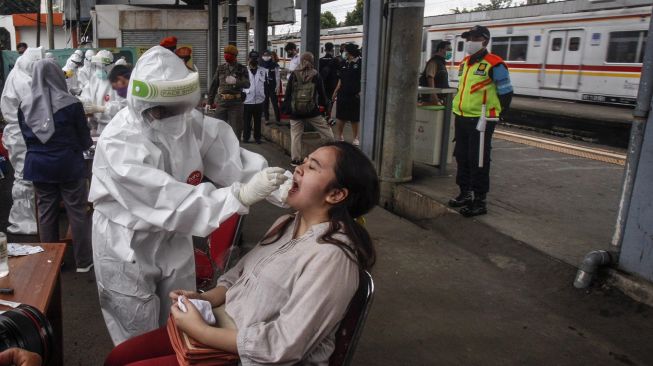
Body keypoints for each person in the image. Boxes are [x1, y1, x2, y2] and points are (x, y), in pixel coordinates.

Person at [103, 141, 379, 366]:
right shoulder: (284, 224)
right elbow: (237, 277)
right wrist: (203, 298)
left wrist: (201, 331)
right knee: (118, 357)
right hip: (215, 328)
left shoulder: (332, 257)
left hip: (242, 355)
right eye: (303, 161)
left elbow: (284, 345)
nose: (298, 169)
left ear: (336, 195)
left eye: (313, 167)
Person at [88, 46, 290, 345]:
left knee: (180, 321)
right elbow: (168, 200)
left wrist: (284, 187)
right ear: (141, 103)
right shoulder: (120, 142)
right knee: (136, 329)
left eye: (177, 106)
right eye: (161, 109)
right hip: (127, 242)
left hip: (174, 236)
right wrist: (240, 196)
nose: (170, 116)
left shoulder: (190, 123)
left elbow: (234, 160)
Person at [18, 59, 93, 272]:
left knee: (46, 213)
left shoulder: (25, 105)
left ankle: (51, 261)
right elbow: (85, 139)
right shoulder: (72, 104)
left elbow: (26, 137)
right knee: (77, 212)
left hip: (39, 166)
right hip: (69, 164)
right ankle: (84, 262)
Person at [448, 25, 513, 217]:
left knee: (479, 159)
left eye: (474, 38)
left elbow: (506, 92)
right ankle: (465, 193)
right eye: (468, 38)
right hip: (461, 117)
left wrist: (498, 115)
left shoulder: (495, 64)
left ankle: (479, 200)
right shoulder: (466, 62)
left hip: (481, 120)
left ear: (484, 40)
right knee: (462, 156)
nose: (469, 42)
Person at [0, 47, 44, 235]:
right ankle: (24, 221)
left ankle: (28, 216)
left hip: (19, 131)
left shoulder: (18, 74)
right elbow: (34, 107)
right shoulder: (22, 80)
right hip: (20, 133)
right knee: (25, 176)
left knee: (26, 174)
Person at [283, 52, 334, 166]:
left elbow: (288, 93)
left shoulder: (294, 74)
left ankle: (295, 160)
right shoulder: (315, 74)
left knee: (296, 136)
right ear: (312, 61)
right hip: (312, 111)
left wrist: (288, 109)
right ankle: (324, 154)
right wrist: (326, 106)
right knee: (328, 134)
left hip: (295, 111)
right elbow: (322, 94)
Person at [207, 45, 250, 141]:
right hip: (222, 102)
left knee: (236, 132)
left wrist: (236, 82)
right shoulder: (220, 68)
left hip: (236, 104)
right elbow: (214, 85)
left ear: (234, 56)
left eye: (229, 54)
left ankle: (235, 153)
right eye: (225, 54)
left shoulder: (242, 69)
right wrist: (209, 102)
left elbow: (247, 84)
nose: (226, 56)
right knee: (217, 129)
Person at [79, 50, 123, 135]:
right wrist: (86, 105)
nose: (100, 69)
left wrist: (102, 109)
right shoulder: (95, 79)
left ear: (111, 66)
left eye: (102, 67)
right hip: (98, 127)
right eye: (98, 67)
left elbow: (123, 106)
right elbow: (86, 96)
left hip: (116, 126)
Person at [332, 43, 362, 146]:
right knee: (340, 117)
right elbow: (340, 79)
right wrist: (335, 92)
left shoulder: (360, 63)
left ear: (350, 52)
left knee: (354, 118)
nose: (343, 53)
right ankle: (340, 136)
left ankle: (356, 137)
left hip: (354, 95)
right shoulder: (344, 63)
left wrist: (361, 92)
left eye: (345, 51)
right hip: (342, 94)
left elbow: (363, 79)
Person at [242, 51, 267, 144]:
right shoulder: (244, 71)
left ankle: (257, 138)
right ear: (248, 59)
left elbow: (266, 84)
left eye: (256, 58)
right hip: (247, 100)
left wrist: (265, 96)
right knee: (246, 121)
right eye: (252, 58)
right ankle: (246, 137)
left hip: (259, 100)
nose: (254, 60)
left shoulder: (263, 71)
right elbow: (240, 85)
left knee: (257, 121)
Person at [419, 40, 452, 104]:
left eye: (451, 50)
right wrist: (433, 95)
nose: (450, 52)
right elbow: (430, 78)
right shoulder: (434, 62)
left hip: (440, 97)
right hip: (433, 99)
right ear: (440, 50)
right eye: (448, 49)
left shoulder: (441, 63)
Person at [260, 49, 281, 123]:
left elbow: (278, 76)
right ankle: (266, 119)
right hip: (264, 87)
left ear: (270, 56)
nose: (266, 57)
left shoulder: (275, 65)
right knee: (265, 103)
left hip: (273, 86)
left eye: (267, 55)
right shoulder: (261, 65)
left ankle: (278, 119)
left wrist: (277, 86)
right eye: (264, 55)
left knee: (275, 103)